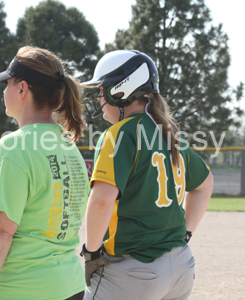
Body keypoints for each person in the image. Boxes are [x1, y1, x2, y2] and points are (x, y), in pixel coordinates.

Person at [80, 50, 214, 300]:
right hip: (181, 266)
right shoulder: (170, 133)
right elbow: (205, 184)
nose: (99, 97)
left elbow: (101, 200)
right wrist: (185, 232)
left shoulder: (120, 134)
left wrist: (91, 253)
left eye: (102, 89)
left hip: (133, 271)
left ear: (120, 89)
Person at [0, 46, 90, 300]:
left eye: (8, 84)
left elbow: (2, 231)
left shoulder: (13, 147)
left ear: (22, 89)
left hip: (22, 288)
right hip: (69, 286)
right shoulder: (68, 145)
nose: (4, 92)